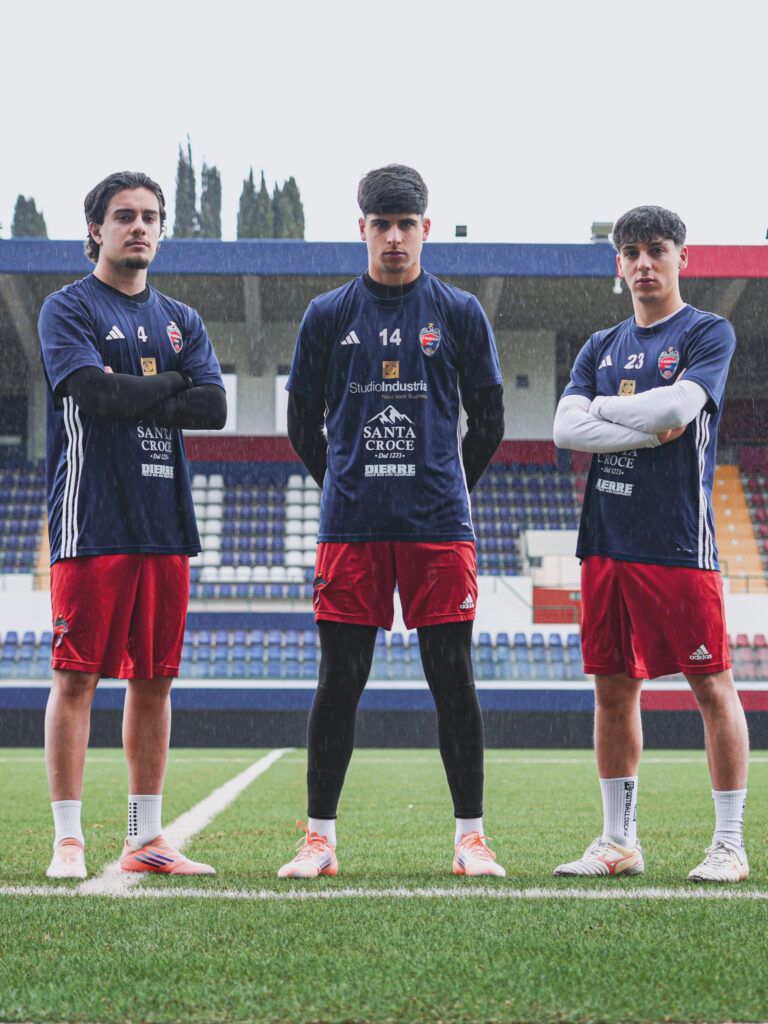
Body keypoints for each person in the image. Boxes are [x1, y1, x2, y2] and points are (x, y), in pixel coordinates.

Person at [279, 164, 506, 878]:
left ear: (426, 228)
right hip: (352, 529)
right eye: (382, 225)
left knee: (453, 680)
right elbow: (300, 424)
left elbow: (490, 422)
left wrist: (445, 487)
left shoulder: (460, 313)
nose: (395, 238)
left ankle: (471, 839)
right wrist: (345, 484)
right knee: (339, 681)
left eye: (407, 224)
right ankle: (319, 841)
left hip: (439, 529)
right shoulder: (327, 315)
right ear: (363, 229)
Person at [38, 171, 227, 880]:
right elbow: (94, 393)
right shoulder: (68, 308)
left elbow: (214, 409)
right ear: (97, 230)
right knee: (77, 679)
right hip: (92, 518)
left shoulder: (182, 319)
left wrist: (143, 393)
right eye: (124, 216)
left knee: (154, 681)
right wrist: (173, 382)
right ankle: (68, 841)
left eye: (150, 216)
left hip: (164, 522)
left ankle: (144, 838)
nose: (139, 227)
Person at [552, 205, 749, 882]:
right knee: (612, 688)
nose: (643, 263)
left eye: (656, 250)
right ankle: (619, 842)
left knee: (711, 685)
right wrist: (639, 420)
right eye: (631, 252)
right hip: (606, 539)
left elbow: (677, 409)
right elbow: (565, 430)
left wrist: (603, 411)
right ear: (619, 263)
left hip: (677, 539)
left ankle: (729, 845)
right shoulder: (599, 346)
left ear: (681, 257)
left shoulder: (707, 332)